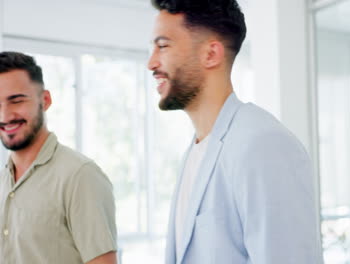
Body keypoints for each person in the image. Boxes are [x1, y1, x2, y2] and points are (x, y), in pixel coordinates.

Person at [147, 0, 322, 263]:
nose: (151, 63)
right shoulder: (195, 150)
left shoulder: (263, 145)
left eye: (163, 46)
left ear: (211, 54)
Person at [0, 51, 118, 264]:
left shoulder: (80, 176)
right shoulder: (2, 181)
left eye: (16, 101)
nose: (5, 116)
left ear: (45, 100)